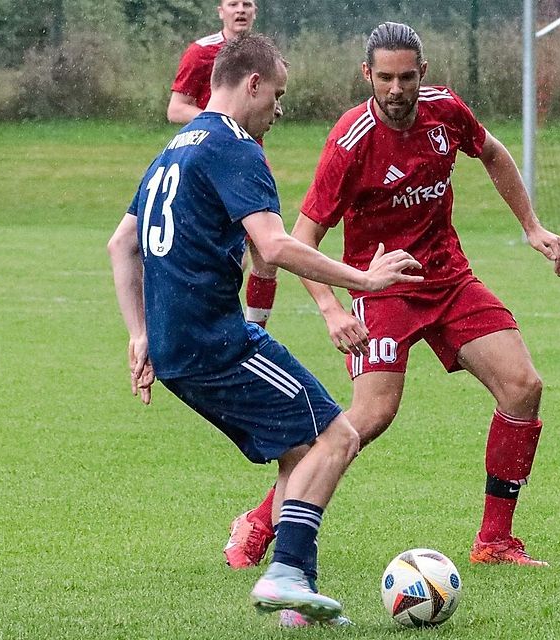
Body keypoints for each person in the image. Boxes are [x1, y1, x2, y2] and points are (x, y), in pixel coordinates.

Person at [224, 22, 560, 574]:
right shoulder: (350, 142)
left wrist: (532, 226)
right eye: (384, 77)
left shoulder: (445, 110)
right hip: (382, 288)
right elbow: (300, 239)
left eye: (406, 77)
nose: (395, 89)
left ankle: (495, 541)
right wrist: (332, 308)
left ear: (422, 73)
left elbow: (492, 152)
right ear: (367, 74)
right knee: (369, 416)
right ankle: (261, 521)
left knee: (522, 386)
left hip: (449, 279)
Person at [108, 33, 422, 623]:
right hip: (215, 343)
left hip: (177, 347)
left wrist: (139, 334)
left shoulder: (176, 148)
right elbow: (274, 246)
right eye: (277, 95)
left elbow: (122, 243)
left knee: (300, 450)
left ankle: (295, 601)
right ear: (252, 84)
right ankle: (286, 574)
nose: (278, 110)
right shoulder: (235, 146)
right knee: (340, 436)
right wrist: (364, 279)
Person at [168, 0, 279, 327]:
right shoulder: (202, 52)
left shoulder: (262, 56)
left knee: (266, 256)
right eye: (233, 3)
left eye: (247, 3)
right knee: (231, 258)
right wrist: (221, 123)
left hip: (250, 162)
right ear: (220, 11)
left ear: (256, 10)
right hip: (213, 164)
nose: (240, 10)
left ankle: (256, 332)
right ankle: (207, 323)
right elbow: (176, 108)